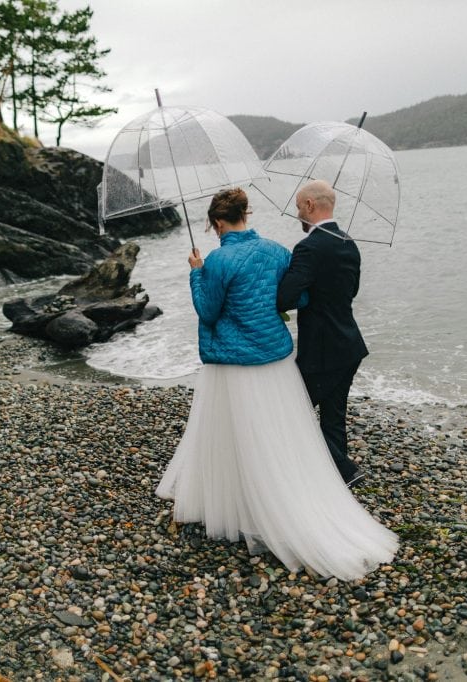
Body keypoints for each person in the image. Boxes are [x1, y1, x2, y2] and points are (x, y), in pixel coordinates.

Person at [155, 188, 398, 580]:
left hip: (234, 360)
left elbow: (208, 309)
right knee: (279, 430)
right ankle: (295, 491)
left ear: (218, 223)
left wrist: (196, 273)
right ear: (245, 215)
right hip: (275, 357)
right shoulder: (277, 251)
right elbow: (298, 298)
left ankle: (241, 505)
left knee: (234, 432)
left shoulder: (217, 259)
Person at [277, 179, 369, 488]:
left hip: (322, 351)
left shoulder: (309, 248)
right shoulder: (348, 242)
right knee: (333, 414)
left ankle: (346, 470)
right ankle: (335, 480)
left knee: (293, 413)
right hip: (350, 345)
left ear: (310, 206)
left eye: (298, 207)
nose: (297, 214)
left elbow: (285, 298)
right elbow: (351, 290)